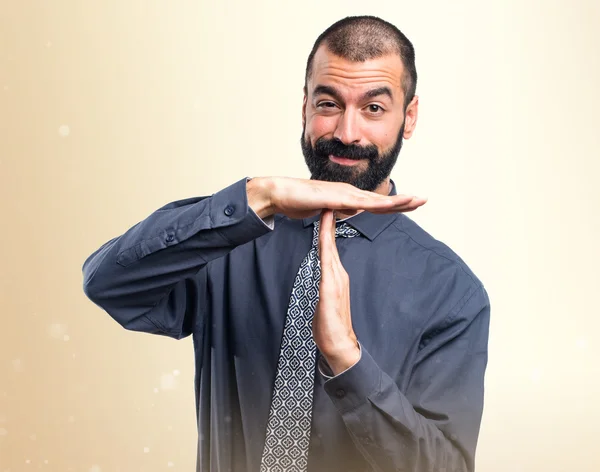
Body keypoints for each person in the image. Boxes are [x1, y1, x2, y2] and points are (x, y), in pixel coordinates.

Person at [82, 15, 490, 472]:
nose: (347, 133)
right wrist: (260, 196)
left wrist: (347, 359)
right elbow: (107, 284)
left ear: (408, 116)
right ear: (304, 106)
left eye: (373, 108)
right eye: (328, 103)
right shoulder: (228, 239)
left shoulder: (452, 292)